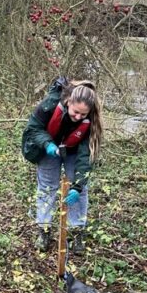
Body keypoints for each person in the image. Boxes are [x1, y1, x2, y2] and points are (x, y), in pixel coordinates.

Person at [22, 77, 104, 254]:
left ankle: (77, 231)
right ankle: (44, 229)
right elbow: (33, 128)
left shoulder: (90, 123)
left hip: (73, 150)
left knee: (79, 191)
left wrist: (78, 185)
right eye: (75, 112)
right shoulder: (50, 104)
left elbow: (85, 156)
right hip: (48, 146)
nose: (78, 117)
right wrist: (47, 144)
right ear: (68, 101)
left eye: (83, 114)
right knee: (47, 187)